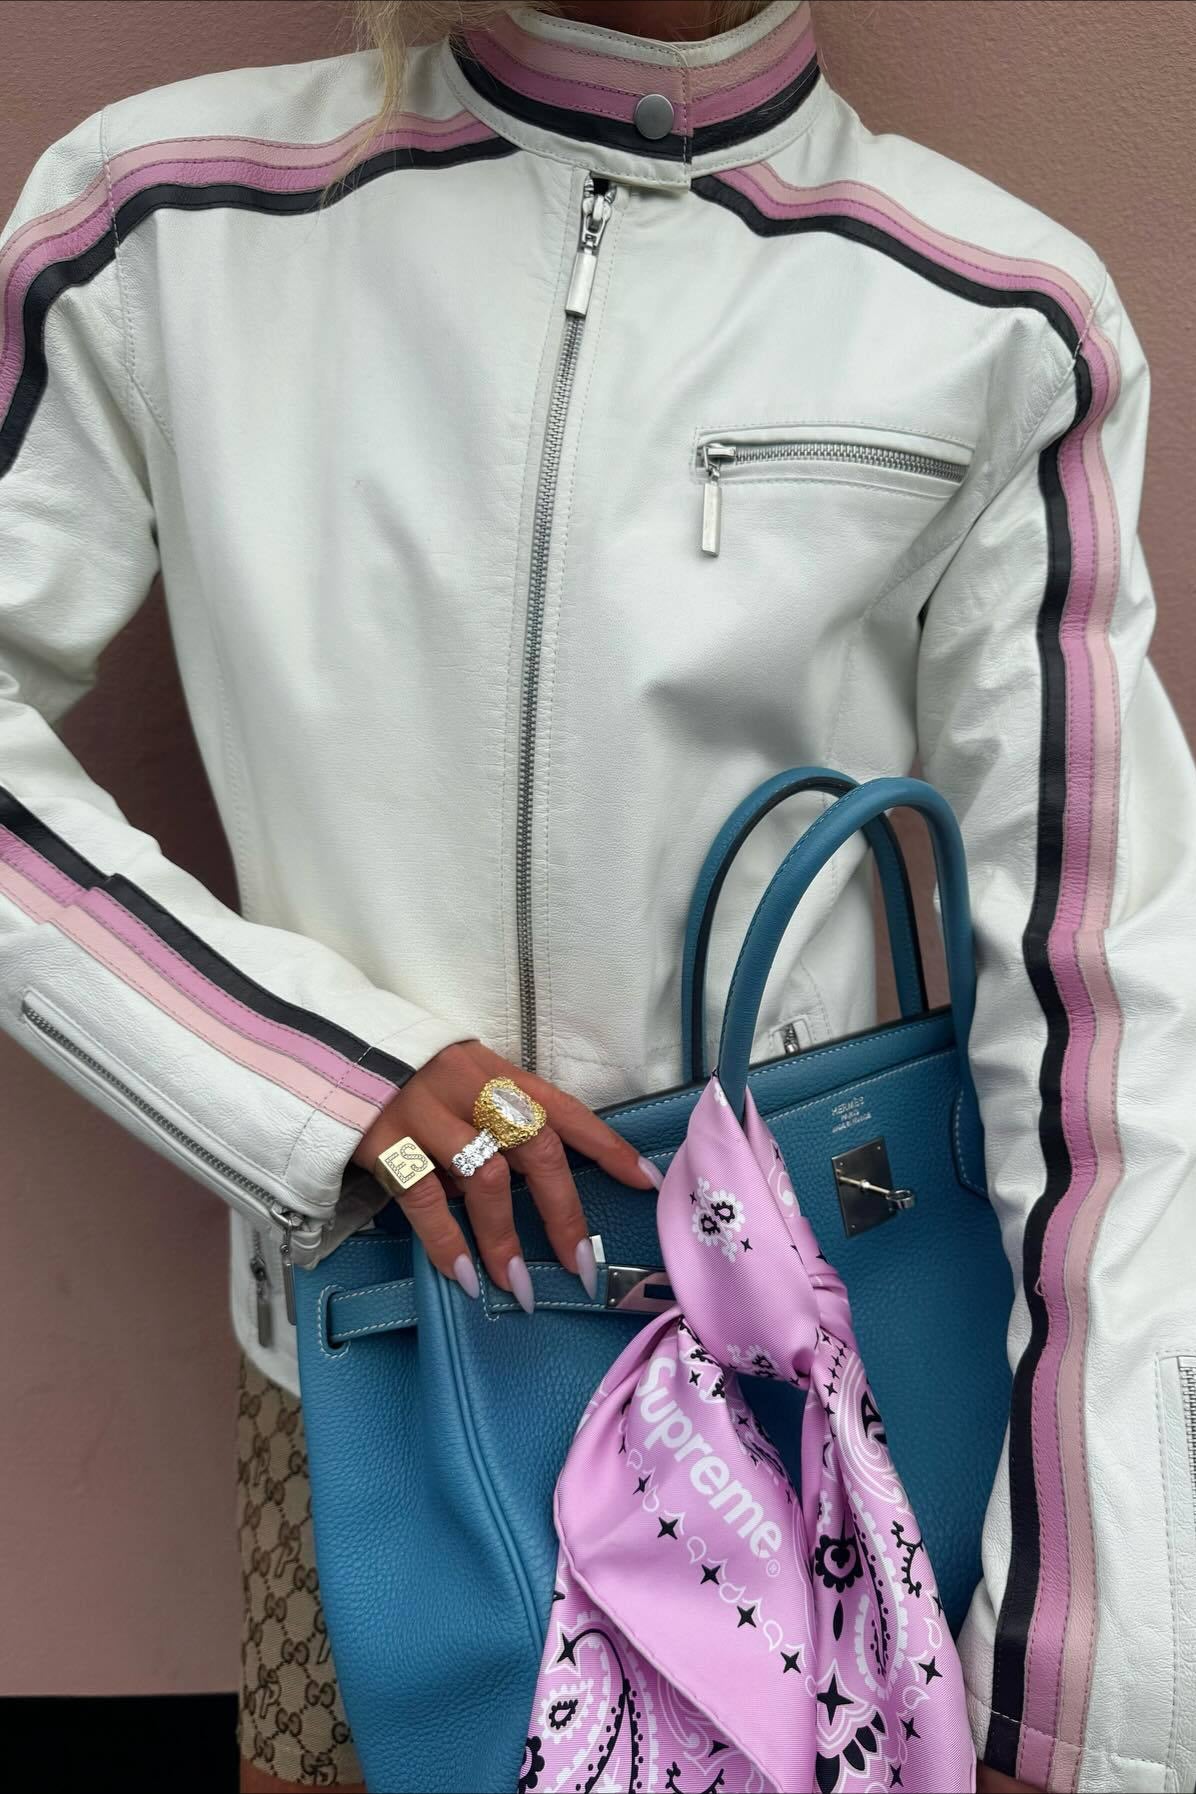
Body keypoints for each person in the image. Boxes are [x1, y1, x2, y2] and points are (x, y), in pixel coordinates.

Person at [1, 0, 1192, 1788]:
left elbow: (1100, 984)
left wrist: (1082, 1673)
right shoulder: (168, 220)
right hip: (387, 1374)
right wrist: (320, 1075)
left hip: (824, 1399)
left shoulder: (990, 310)